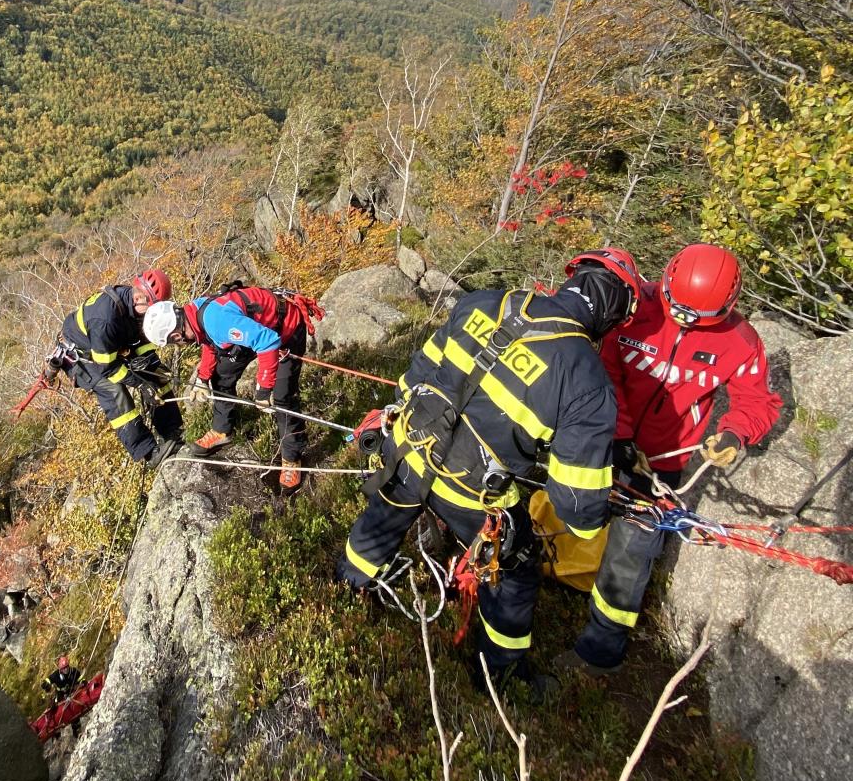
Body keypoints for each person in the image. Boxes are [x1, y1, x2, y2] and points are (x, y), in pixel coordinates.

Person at [338, 249, 642, 694]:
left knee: (383, 513)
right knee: (516, 569)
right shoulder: (587, 379)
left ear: (571, 278)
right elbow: (576, 507)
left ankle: (348, 587)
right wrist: (602, 504)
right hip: (471, 496)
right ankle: (497, 673)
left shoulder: (485, 302)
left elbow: (419, 371)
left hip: (408, 449)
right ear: (616, 316)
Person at [568, 242, 783, 675]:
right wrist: (621, 434)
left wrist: (734, 434)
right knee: (571, 504)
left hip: (662, 463)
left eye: (694, 317)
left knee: (633, 551)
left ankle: (600, 652)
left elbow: (757, 402)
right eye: (674, 308)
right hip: (605, 436)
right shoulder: (633, 308)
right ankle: (559, 574)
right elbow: (604, 372)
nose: (680, 320)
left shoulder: (740, 343)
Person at [142, 285, 323, 491]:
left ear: (176, 334)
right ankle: (222, 431)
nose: (178, 345)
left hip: (284, 330)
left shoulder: (216, 321)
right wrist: (203, 378)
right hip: (257, 327)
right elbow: (210, 343)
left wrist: (263, 389)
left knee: (282, 397)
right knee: (221, 377)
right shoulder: (195, 313)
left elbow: (267, 341)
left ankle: (292, 458)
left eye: (174, 342)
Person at [55, 269, 183, 468]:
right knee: (115, 393)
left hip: (109, 348)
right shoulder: (105, 319)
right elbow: (107, 367)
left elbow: (139, 340)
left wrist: (154, 368)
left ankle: (172, 431)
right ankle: (149, 453)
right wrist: (141, 385)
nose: (153, 313)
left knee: (156, 376)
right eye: (152, 307)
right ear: (139, 297)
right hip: (85, 358)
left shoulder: (132, 304)